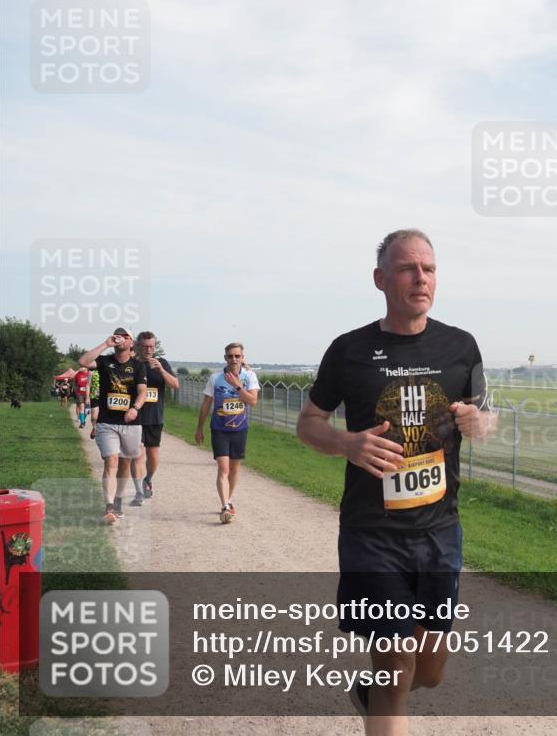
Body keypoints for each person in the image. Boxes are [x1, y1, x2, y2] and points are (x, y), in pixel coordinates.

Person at [296, 229, 494, 735]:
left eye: (428, 268)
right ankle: (380, 692)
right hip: (371, 535)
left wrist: (479, 423)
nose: (420, 278)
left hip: (439, 531)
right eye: (408, 268)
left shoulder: (461, 347)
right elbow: (308, 423)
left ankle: (369, 695)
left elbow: (486, 418)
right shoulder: (349, 350)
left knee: (429, 671)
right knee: (395, 667)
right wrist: (347, 444)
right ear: (381, 279)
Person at [78, 328, 147, 525]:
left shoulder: (138, 366)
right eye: (118, 334)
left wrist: (135, 408)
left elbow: (142, 392)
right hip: (107, 422)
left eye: (125, 336)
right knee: (112, 461)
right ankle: (108, 506)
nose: (120, 338)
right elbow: (83, 362)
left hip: (131, 422)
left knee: (125, 463)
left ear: (131, 342)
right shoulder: (105, 361)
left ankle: (117, 500)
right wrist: (105, 344)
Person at [195, 343, 260, 523]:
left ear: (242, 357)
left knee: (234, 469)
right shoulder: (215, 378)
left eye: (237, 356)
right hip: (219, 428)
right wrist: (199, 428)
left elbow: (253, 401)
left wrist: (238, 386)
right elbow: (207, 404)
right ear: (225, 357)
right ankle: (224, 505)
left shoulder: (249, 376)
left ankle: (229, 500)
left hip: (240, 429)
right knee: (223, 468)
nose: (234, 359)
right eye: (230, 356)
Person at [129, 331, 180, 504]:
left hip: (154, 415)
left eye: (151, 346)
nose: (148, 349)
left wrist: (161, 370)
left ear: (154, 346)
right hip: (135, 415)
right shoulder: (132, 363)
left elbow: (175, 385)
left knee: (153, 455)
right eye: (144, 346)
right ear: (138, 346)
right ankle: (138, 492)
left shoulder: (162, 363)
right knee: (137, 454)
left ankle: (148, 479)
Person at [88, 367, 101, 440]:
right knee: (94, 417)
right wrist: (87, 397)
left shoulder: (107, 370)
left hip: (104, 397)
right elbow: (88, 385)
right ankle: (94, 428)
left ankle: (100, 431)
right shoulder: (92, 372)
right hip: (94, 396)